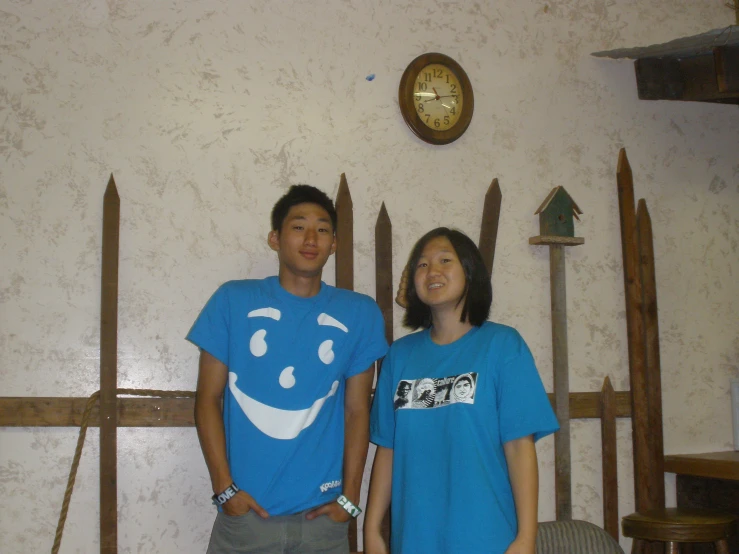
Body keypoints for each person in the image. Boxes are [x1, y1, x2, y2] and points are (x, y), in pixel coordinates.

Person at [188, 184, 388, 554]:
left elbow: (358, 409)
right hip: (245, 521)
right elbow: (207, 399)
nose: (311, 238)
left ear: (335, 244)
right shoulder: (233, 300)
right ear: (275, 238)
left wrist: (349, 499)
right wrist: (225, 489)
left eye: (323, 229)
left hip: (322, 524)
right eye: (298, 227)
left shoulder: (359, 313)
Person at [364, 227, 559, 554]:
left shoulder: (502, 345)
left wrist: (526, 537)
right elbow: (388, 449)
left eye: (445, 260)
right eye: (422, 265)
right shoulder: (400, 354)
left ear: (470, 272)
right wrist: (371, 530)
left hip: (487, 537)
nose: (432, 271)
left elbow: (519, 448)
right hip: (414, 539)